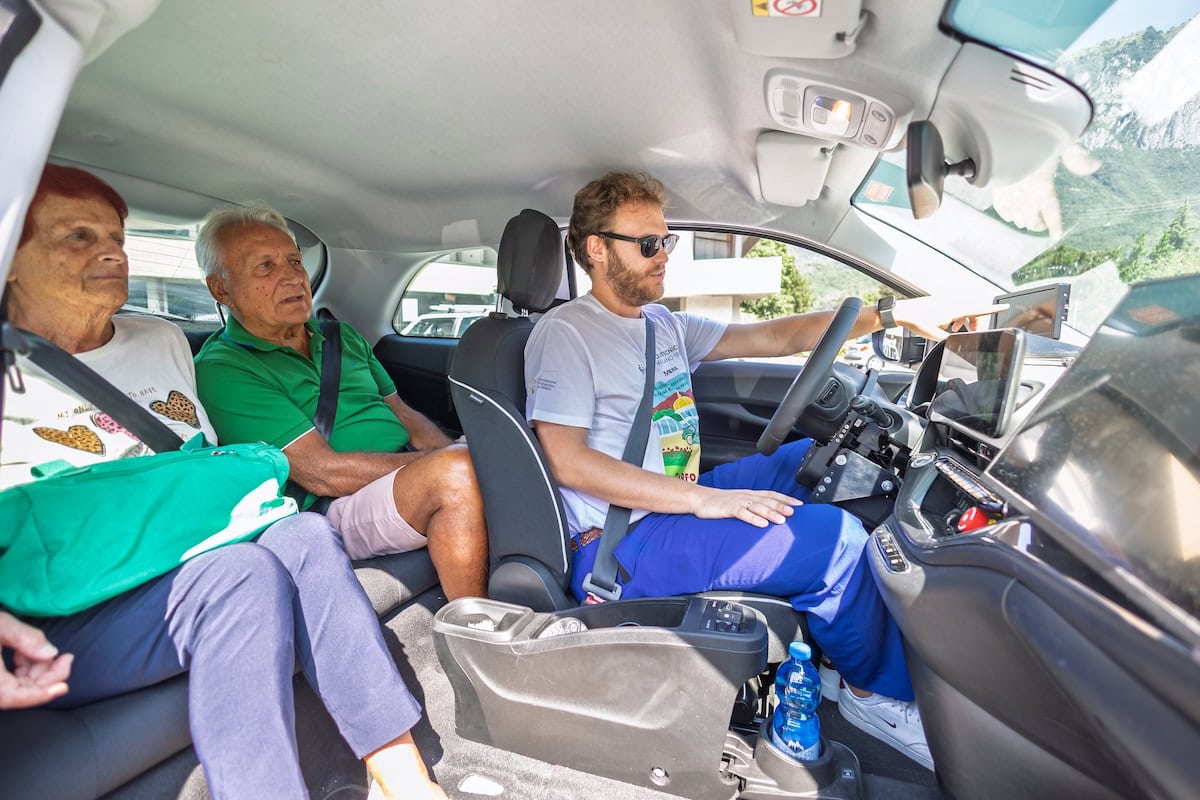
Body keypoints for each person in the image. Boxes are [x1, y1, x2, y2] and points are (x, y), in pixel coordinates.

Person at [0, 164, 447, 799]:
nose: (110, 252)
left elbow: (207, 466)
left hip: (183, 561)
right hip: (68, 606)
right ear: (9, 258)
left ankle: (406, 780)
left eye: (118, 236)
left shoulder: (159, 340)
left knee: (303, 534)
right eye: (77, 236)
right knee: (242, 575)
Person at [525, 172, 998, 771]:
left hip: (672, 499)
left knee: (822, 463)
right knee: (834, 544)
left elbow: (777, 333)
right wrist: (703, 503)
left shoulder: (660, 325)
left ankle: (848, 641)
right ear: (597, 248)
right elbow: (568, 461)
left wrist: (890, 314)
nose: (663, 256)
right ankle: (873, 695)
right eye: (648, 244)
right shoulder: (566, 334)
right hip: (620, 540)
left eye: (665, 242)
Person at [192, 207, 487, 600]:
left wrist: (452, 451)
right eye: (265, 266)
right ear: (221, 290)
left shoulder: (341, 336)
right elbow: (321, 474)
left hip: (399, 477)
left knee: (509, 450)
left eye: (294, 260)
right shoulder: (222, 369)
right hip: (330, 505)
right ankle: (479, 628)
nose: (293, 275)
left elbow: (405, 417)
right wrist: (449, 464)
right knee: (459, 473)